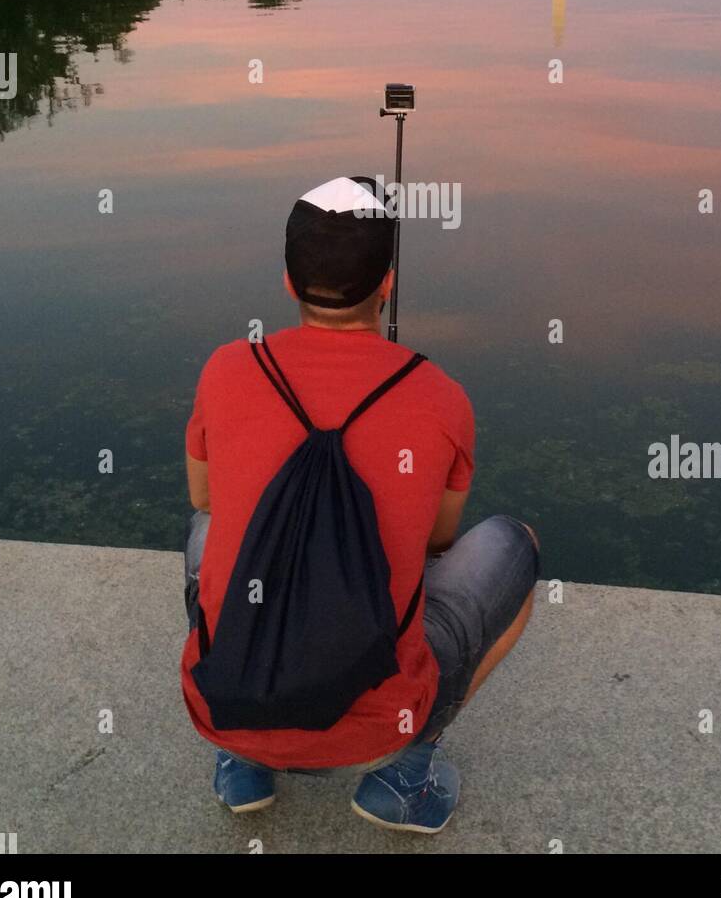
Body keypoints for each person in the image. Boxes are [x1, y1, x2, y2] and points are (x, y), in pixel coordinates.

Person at [181, 175, 540, 834]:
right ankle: (404, 778)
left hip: (224, 704)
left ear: (288, 283)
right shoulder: (440, 396)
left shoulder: (226, 368)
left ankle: (241, 762)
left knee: (206, 538)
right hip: (377, 725)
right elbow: (436, 538)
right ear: (388, 284)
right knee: (514, 545)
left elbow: (203, 499)